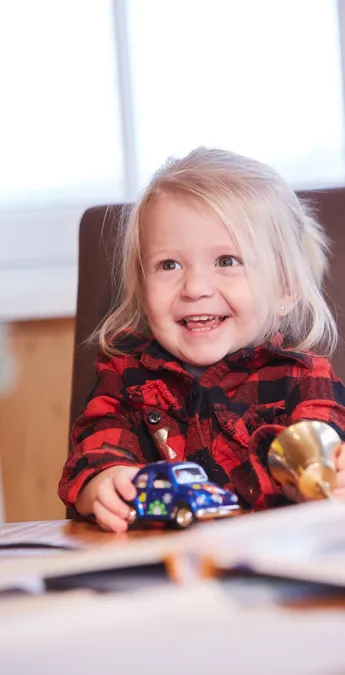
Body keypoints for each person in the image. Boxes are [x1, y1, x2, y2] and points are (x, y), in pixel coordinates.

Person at [59, 147, 345, 532]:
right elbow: (98, 442)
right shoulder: (126, 376)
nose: (194, 288)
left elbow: (323, 449)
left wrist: (326, 473)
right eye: (169, 265)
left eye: (227, 261)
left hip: (273, 566)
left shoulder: (306, 379)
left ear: (284, 290)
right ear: (143, 291)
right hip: (160, 572)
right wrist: (103, 481)